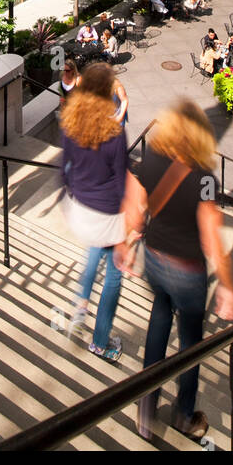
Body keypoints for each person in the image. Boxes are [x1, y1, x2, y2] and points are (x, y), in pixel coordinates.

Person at [122, 101, 233, 440]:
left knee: (157, 327)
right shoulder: (204, 178)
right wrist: (228, 286)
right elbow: (212, 237)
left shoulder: (153, 159)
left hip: (155, 260)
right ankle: (184, 416)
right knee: (190, 347)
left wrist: (127, 244)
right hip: (187, 271)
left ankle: (145, 409)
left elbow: (135, 208)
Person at [60, 64, 130, 361]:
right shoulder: (114, 134)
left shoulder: (72, 125)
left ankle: (80, 303)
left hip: (82, 209)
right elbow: (122, 180)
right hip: (107, 211)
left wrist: (72, 197)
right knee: (114, 275)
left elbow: (64, 170)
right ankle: (101, 343)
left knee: (94, 252)